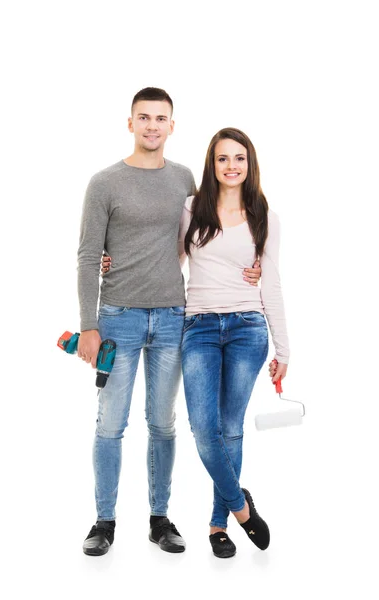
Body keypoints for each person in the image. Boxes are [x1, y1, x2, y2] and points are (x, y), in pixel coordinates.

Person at [77, 88, 262, 556]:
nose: (153, 126)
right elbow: (85, 257)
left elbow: (210, 230)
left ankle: (160, 519)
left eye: (161, 118)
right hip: (116, 318)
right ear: (130, 123)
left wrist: (251, 263)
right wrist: (88, 325)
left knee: (163, 425)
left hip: (173, 318)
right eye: (144, 117)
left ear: (172, 126)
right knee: (110, 425)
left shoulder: (184, 179)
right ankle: (104, 521)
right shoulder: (104, 183)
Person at [177, 127, 290, 558]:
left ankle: (216, 524)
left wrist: (284, 350)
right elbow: (169, 264)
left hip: (247, 328)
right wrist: (115, 264)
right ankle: (242, 508)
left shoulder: (265, 216)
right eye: (222, 158)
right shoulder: (191, 209)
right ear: (212, 164)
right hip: (199, 326)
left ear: (250, 163)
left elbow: (273, 284)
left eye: (238, 158)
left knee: (229, 428)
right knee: (204, 429)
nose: (231, 166)